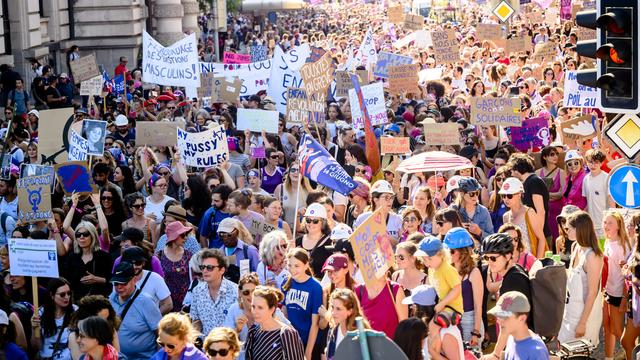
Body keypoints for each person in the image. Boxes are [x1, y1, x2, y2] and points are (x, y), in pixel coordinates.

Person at [481, 233, 532, 359]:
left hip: (522, 345)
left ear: (508, 256)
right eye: (486, 258)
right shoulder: (515, 271)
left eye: (493, 258)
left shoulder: (512, 280)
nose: (489, 262)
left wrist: (496, 354)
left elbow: (505, 321)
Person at [558, 211, 603, 346]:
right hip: (569, 310)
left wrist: (582, 323)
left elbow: (592, 293)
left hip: (584, 316)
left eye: (568, 229)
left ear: (579, 229)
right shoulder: (575, 246)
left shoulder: (592, 256)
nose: (566, 232)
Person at [223, 272, 289, 360]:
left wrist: (275, 323)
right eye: (246, 292)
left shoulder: (270, 309)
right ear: (240, 292)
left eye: (254, 292)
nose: (250, 296)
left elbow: (290, 333)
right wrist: (237, 330)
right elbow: (225, 342)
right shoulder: (234, 310)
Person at [109, 261, 162, 359]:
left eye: (124, 283)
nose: (119, 287)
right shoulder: (111, 299)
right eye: (116, 283)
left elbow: (161, 334)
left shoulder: (146, 302)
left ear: (134, 280)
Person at [444, 227, 484, 346]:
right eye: (447, 249)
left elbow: (478, 306)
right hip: (451, 320)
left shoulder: (474, 272)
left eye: (452, 251)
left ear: (463, 251)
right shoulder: (447, 270)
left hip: (470, 321)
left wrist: (475, 333)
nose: (448, 253)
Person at [282, 248, 323, 360]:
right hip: (291, 341)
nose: (292, 269)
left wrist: (308, 352)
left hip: (309, 342)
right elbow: (284, 314)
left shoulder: (315, 287)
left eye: (297, 266)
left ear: (306, 265)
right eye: (290, 265)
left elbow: (315, 324)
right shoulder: (286, 282)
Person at [244, 286, 305, 360]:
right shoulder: (253, 331)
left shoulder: (287, 334)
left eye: (260, 307)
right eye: (253, 306)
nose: (255, 311)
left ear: (272, 309)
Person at [601, 210, 631, 359]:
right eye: (605, 222)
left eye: (610, 222)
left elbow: (627, 276)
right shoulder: (607, 241)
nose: (606, 225)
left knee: (618, 331)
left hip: (618, 294)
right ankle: (609, 357)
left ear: (619, 225)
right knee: (607, 328)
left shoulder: (622, 247)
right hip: (607, 291)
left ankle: (632, 355)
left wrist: (624, 298)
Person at [488, 291, 549, 360]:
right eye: (499, 315)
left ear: (522, 319)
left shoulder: (536, 352)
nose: (498, 321)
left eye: (505, 317)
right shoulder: (512, 338)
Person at [189, 249, 237, 336]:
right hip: (205, 346)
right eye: (202, 267)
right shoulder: (197, 291)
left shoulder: (235, 292)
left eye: (210, 267)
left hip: (230, 346)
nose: (205, 271)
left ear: (222, 270)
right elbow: (196, 321)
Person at [500, 177, 547, 258]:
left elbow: (541, 239)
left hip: (530, 260)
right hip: (514, 262)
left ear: (519, 194)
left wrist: (537, 262)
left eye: (509, 195)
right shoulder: (506, 216)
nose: (506, 199)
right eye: (503, 196)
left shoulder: (529, 212)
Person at [31, 278, 77, 360]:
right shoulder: (40, 313)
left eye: (69, 293)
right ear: (52, 295)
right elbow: (36, 347)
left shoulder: (75, 311)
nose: (67, 297)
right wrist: (34, 329)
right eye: (62, 294)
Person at [156, 221, 194, 312]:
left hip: (185, 303)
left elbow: (194, 278)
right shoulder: (159, 256)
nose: (185, 238)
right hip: (166, 302)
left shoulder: (189, 255)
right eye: (182, 235)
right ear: (174, 236)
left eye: (186, 235)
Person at [67, 295, 121, 359]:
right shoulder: (74, 336)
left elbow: (116, 356)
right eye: (100, 319)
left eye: (107, 319)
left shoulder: (111, 330)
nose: (104, 324)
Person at [324, 288, 369, 359]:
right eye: (332, 307)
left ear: (350, 311)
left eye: (338, 309)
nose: (333, 312)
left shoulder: (360, 334)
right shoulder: (332, 331)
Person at [535, 146, 566, 240]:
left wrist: (545, 195)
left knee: (558, 237)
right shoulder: (537, 173)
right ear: (544, 157)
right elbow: (535, 193)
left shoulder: (561, 172)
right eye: (552, 154)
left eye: (557, 154)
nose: (555, 156)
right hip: (542, 211)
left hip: (557, 211)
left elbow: (562, 193)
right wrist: (552, 195)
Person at [216, 218, 260, 283]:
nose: (225, 238)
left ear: (236, 232)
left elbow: (258, 275)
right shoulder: (218, 253)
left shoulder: (250, 251)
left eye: (228, 235)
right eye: (221, 235)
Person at [582, 149, 612, 239]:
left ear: (601, 163)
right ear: (587, 162)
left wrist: (611, 223)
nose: (593, 165)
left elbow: (612, 204)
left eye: (596, 162)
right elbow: (588, 202)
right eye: (590, 162)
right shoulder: (586, 179)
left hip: (604, 226)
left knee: (604, 252)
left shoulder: (607, 178)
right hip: (591, 226)